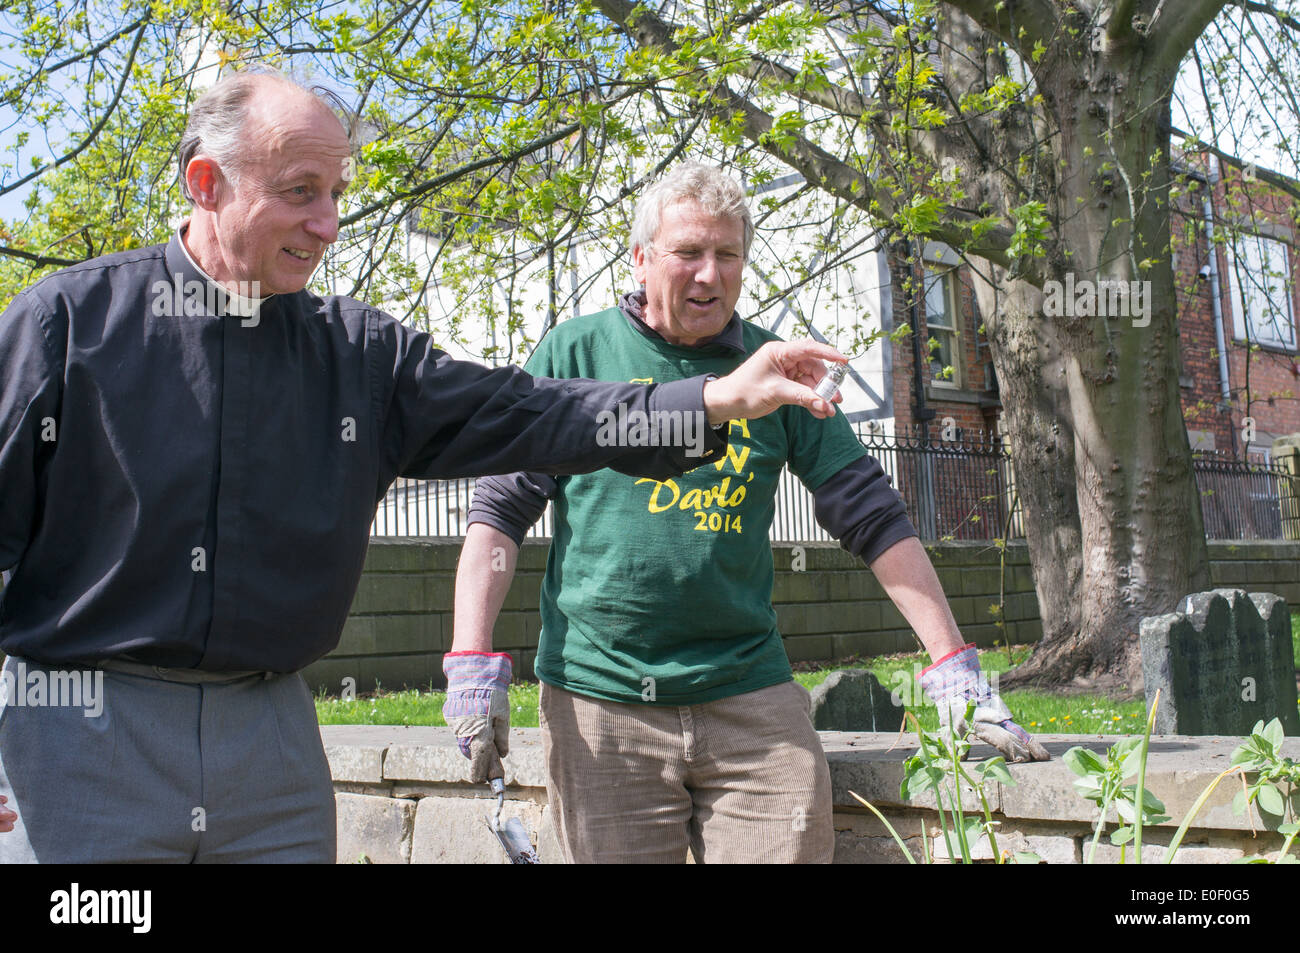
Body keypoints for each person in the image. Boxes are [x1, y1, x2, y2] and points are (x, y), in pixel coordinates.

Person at [0, 73, 847, 862]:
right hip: (80, 736)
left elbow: (531, 410)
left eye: (336, 194)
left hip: (274, 741)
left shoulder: (361, 355)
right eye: (301, 192)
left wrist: (713, 401)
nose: (329, 223)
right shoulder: (65, 325)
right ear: (206, 183)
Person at [450, 162, 1049, 864]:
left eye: (727, 255)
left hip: (748, 693)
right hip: (602, 701)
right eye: (688, 253)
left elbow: (871, 515)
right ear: (641, 259)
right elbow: (499, 510)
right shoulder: (575, 353)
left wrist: (953, 668)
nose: (709, 275)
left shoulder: (774, 370)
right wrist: (470, 662)